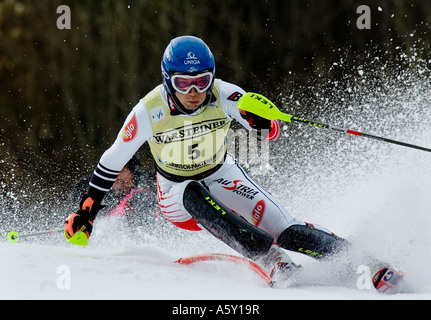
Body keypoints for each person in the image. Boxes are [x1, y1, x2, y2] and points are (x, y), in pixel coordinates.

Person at [64, 36, 403, 293]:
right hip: (175, 191)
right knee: (192, 191)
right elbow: (111, 162)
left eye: (203, 80)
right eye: (184, 83)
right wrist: (86, 213)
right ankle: (269, 259)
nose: (195, 91)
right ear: (168, 80)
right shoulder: (148, 111)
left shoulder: (222, 93)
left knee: (287, 229)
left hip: (223, 174)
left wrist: (262, 121)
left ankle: (369, 264)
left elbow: (258, 119)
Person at [70, 154, 158, 228]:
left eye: (121, 170)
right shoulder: (110, 195)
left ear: (133, 172)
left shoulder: (141, 197)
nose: (115, 174)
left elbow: (145, 230)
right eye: (112, 170)